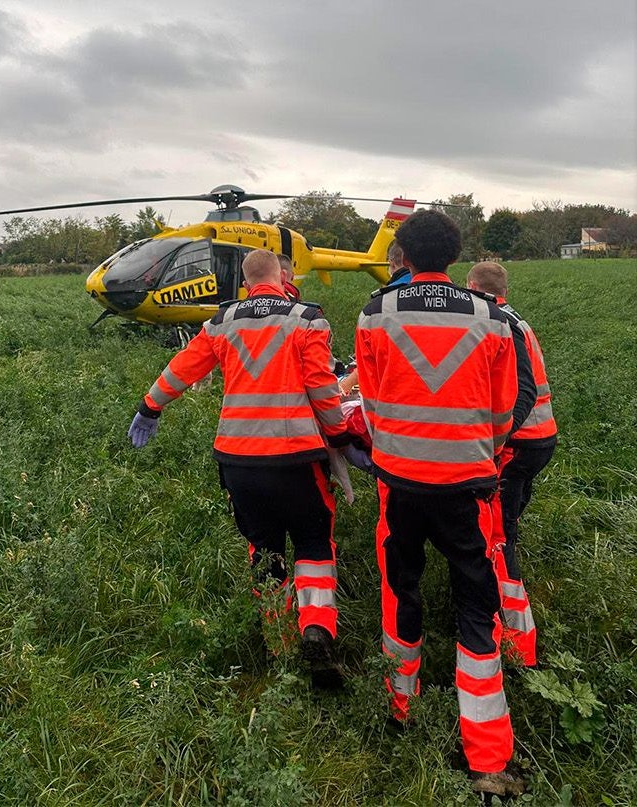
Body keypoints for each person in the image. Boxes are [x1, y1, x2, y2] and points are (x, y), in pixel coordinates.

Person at [354, 210, 529, 797]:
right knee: (477, 607)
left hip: (399, 483)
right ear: (455, 257)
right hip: (468, 487)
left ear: (402, 255)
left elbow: (371, 404)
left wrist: (396, 449)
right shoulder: (492, 318)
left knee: (400, 590)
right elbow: (504, 410)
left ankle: (400, 708)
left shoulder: (374, 313)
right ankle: (489, 759)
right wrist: (480, 453)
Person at [127, 249, 358, 689]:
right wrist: (341, 435)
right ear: (283, 278)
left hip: (238, 462)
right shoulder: (307, 320)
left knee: (263, 548)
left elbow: (183, 367)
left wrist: (150, 406)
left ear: (246, 284)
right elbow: (321, 388)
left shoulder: (222, 322)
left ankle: (279, 644)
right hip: (296, 460)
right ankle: (317, 629)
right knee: (313, 542)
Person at [466, 260, 554, 667]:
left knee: (500, 538)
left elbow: (522, 393)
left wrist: (494, 441)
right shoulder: (516, 319)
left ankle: (519, 647)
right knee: (508, 523)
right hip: (538, 441)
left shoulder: (500, 323)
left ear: (472, 286)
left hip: (517, 446)